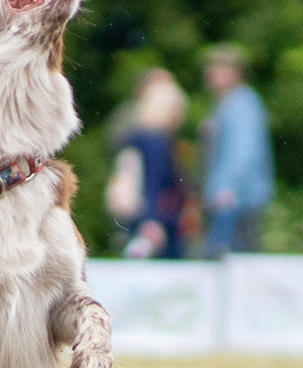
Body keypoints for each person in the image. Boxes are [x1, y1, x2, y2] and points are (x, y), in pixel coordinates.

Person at [198, 44, 273, 257]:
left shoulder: (241, 103)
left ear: (234, 72)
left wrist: (229, 188)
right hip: (232, 198)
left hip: (234, 200)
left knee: (233, 260)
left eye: (217, 69)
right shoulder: (229, 104)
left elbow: (244, 150)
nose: (210, 75)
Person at [105, 68, 189, 258]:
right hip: (158, 221)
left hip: (136, 214)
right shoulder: (156, 142)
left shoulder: (136, 138)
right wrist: (151, 221)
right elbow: (153, 183)